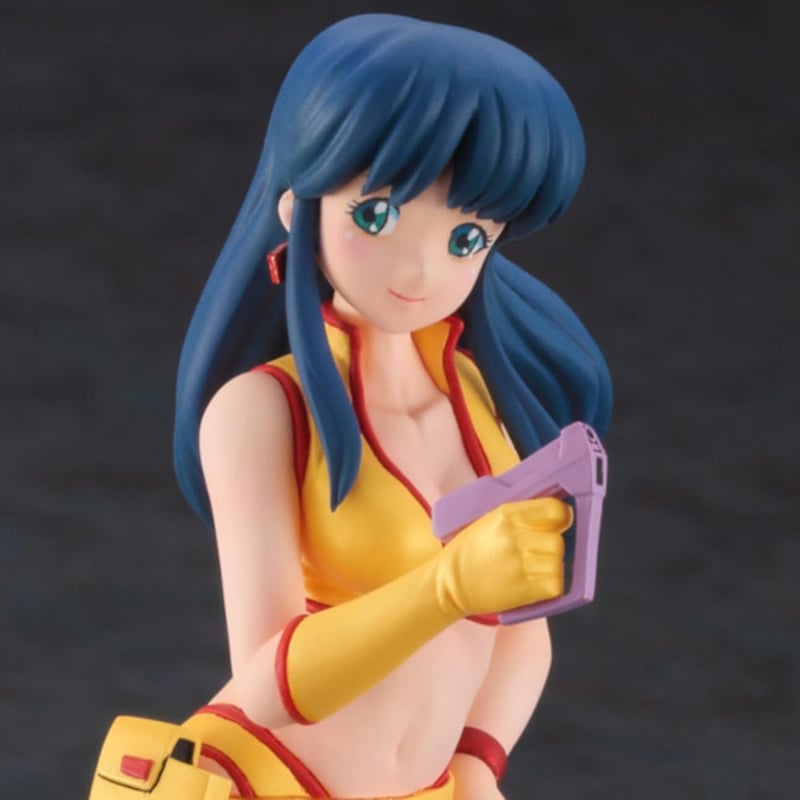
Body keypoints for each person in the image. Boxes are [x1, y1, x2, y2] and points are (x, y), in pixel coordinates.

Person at [171, 14, 612, 800]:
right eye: (375, 216)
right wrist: (447, 588)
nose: (419, 269)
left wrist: (477, 762)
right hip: (269, 781)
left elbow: (520, 631)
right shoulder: (262, 411)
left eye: (467, 238)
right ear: (298, 206)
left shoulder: (483, 396)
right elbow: (263, 681)